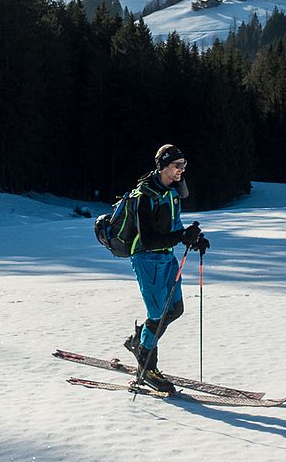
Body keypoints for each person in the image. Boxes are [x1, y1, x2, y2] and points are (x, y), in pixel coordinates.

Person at [123, 144, 209, 392]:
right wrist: (182, 236)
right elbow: (148, 239)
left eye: (184, 165)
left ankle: (141, 341)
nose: (182, 170)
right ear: (164, 166)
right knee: (158, 315)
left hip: (167, 258)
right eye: (177, 165)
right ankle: (146, 368)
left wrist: (194, 239)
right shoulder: (144, 196)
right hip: (147, 259)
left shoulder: (171, 192)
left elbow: (175, 225)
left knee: (175, 308)